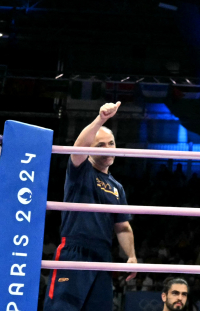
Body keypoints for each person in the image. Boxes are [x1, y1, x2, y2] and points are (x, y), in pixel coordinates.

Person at [46, 101, 138, 310]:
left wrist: (131, 256)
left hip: (103, 255)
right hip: (74, 249)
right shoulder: (81, 170)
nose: (108, 149)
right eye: (100, 145)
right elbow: (77, 149)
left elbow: (122, 226)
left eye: (111, 143)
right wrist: (101, 119)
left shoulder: (117, 188)